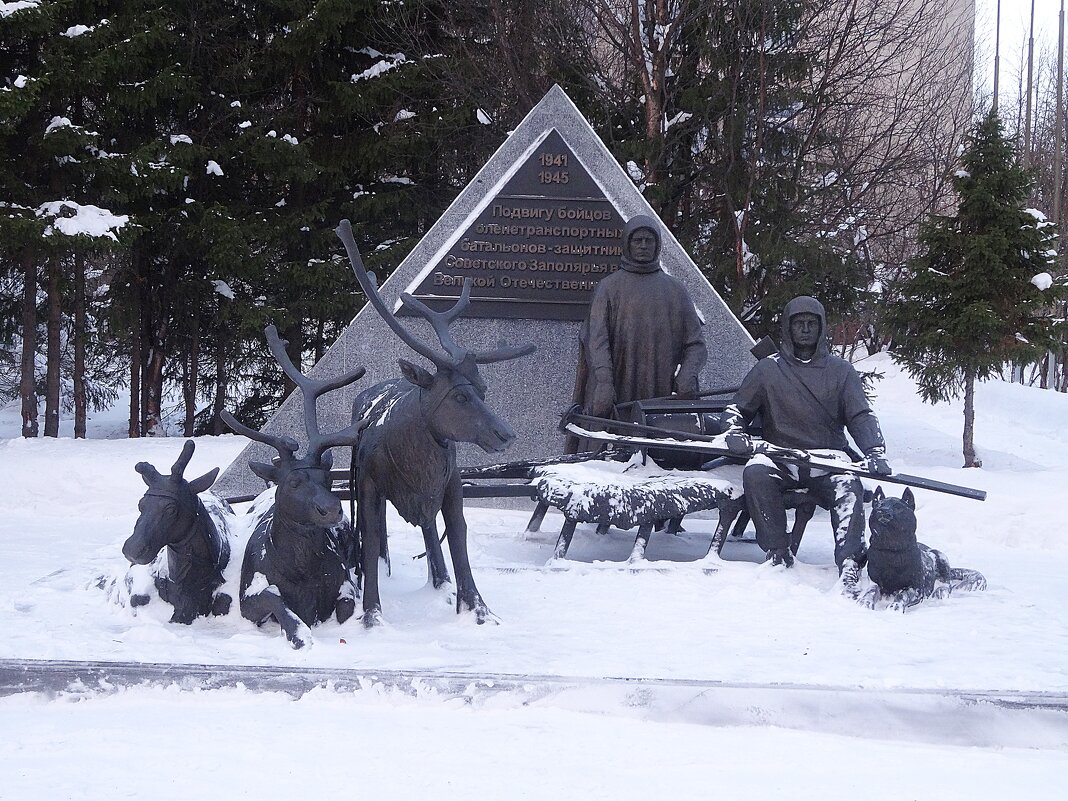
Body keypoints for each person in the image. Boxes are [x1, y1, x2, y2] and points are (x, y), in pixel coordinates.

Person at [721, 296, 891, 597]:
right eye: (799, 323)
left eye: (812, 324)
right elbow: (737, 410)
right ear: (787, 327)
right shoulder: (767, 370)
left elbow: (860, 415)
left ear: (822, 327)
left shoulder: (842, 371)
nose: (805, 330)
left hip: (829, 459)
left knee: (848, 485)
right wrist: (735, 432)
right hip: (780, 456)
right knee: (756, 473)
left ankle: (850, 562)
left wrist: (875, 451)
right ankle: (777, 552)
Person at [572, 215, 707, 423]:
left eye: (649, 240)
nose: (643, 245)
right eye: (637, 240)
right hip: (619, 385)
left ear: (657, 244)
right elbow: (596, 342)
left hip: (660, 386)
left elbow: (696, 344)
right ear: (627, 243)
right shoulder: (608, 288)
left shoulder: (675, 290)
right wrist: (604, 382)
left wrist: (688, 374)